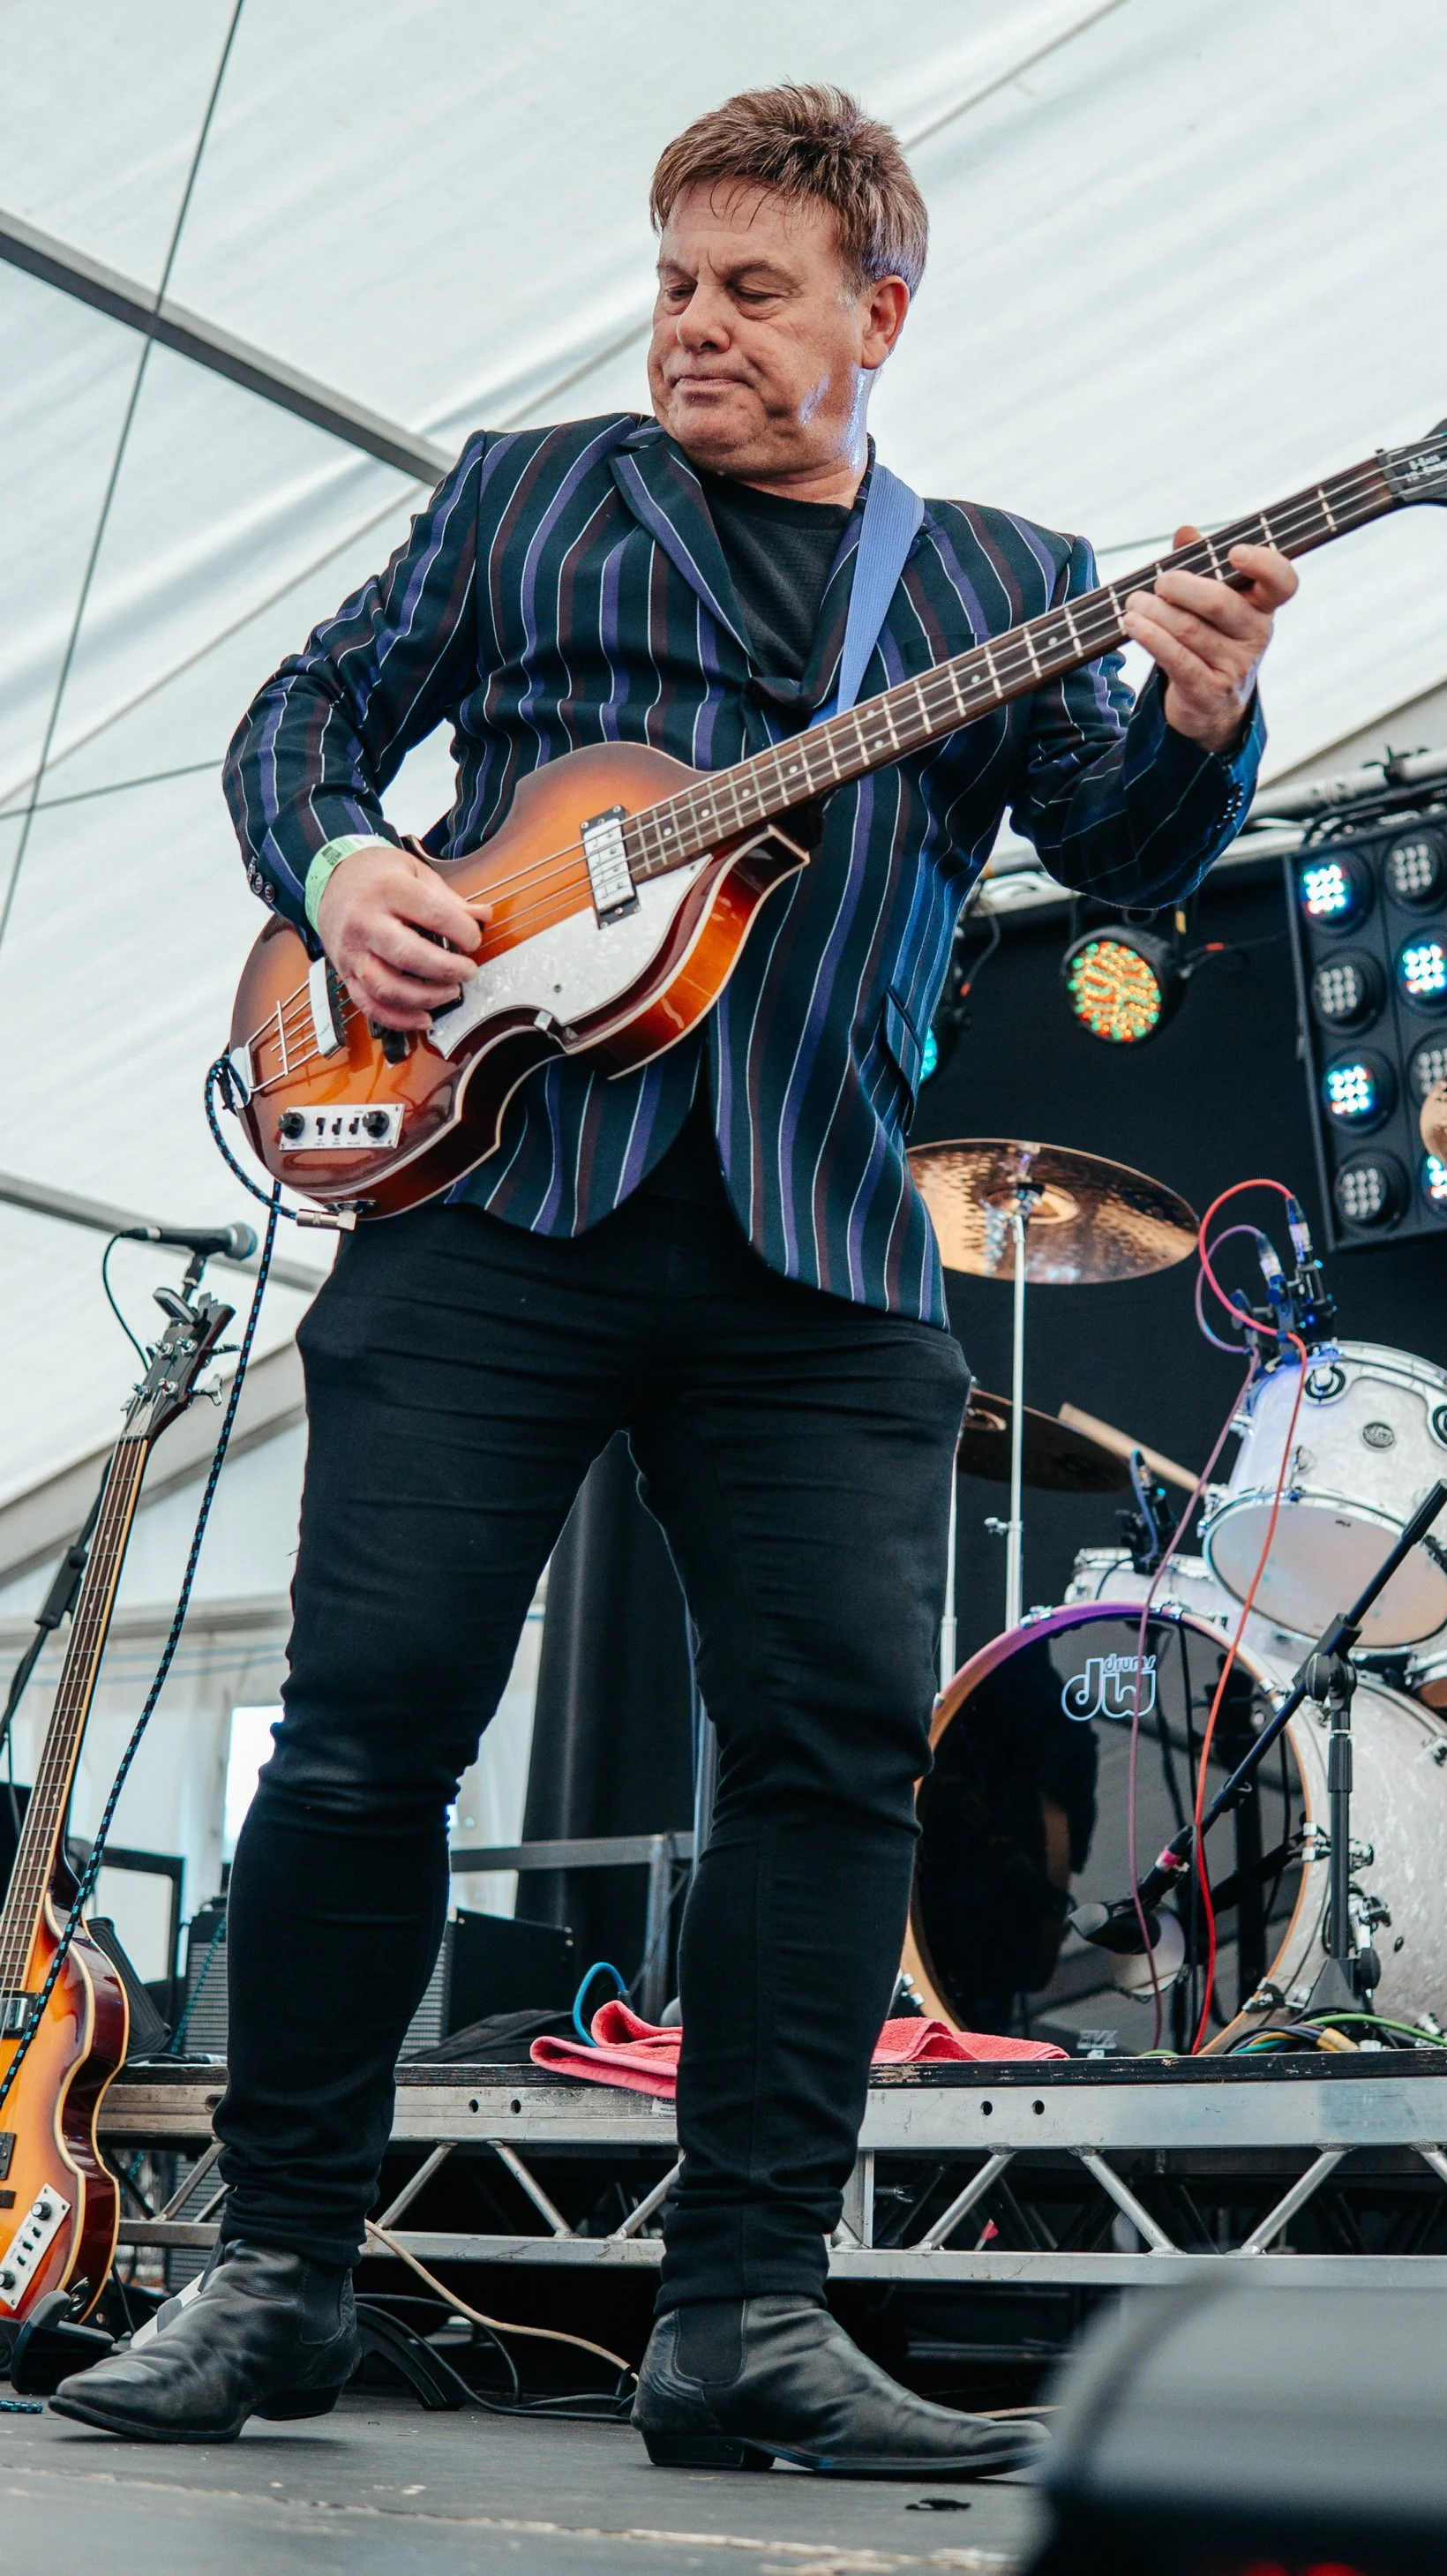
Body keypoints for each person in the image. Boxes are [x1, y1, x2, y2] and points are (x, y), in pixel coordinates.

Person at [55, 85, 1293, 2467]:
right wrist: (340, 877)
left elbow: (1125, 845)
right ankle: (281, 2269)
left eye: (752, 290)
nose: (693, 328)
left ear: (878, 314)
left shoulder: (991, 580)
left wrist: (1205, 707)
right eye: (674, 284)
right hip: (481, 1199)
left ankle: (748, 2311)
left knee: (834, 1760)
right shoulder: (526, 494)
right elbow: (302, 720)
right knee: (365, 1724)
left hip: (817, 1243)